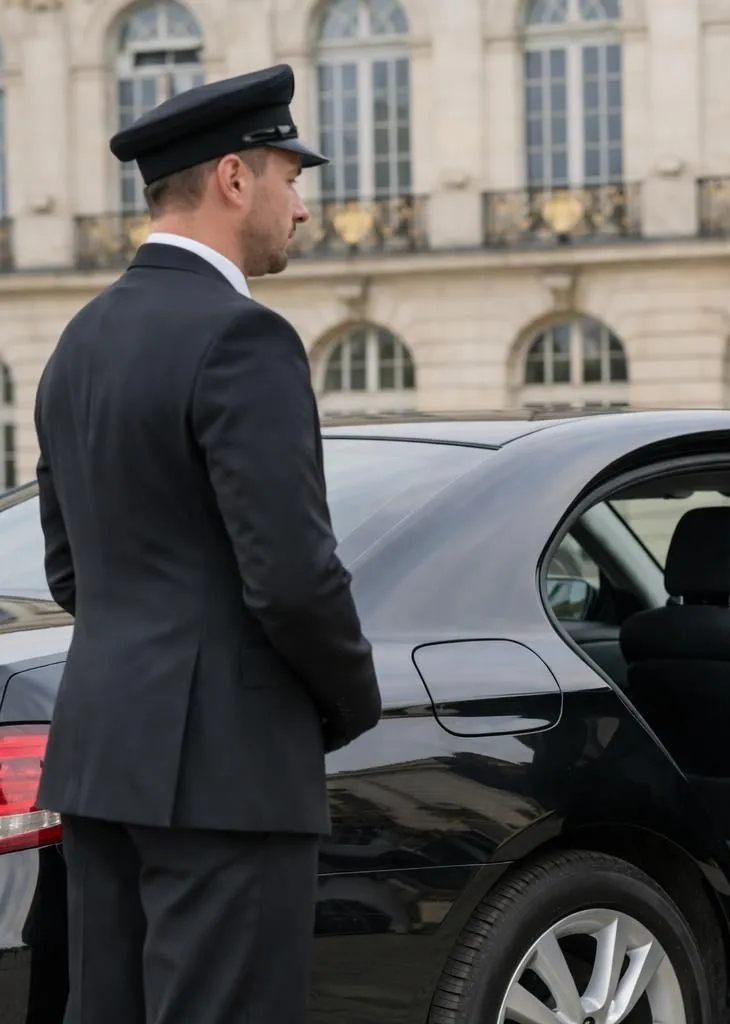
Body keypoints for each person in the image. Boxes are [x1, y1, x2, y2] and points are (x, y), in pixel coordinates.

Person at [33, 64, 382, 1024]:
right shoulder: (244, 339)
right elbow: (293, 577)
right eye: (290, 175)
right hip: (229, 774)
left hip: (104, 758)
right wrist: (351, 700)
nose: (300, 208)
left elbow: (72, 570)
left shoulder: (79, 343)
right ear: (235, 178)